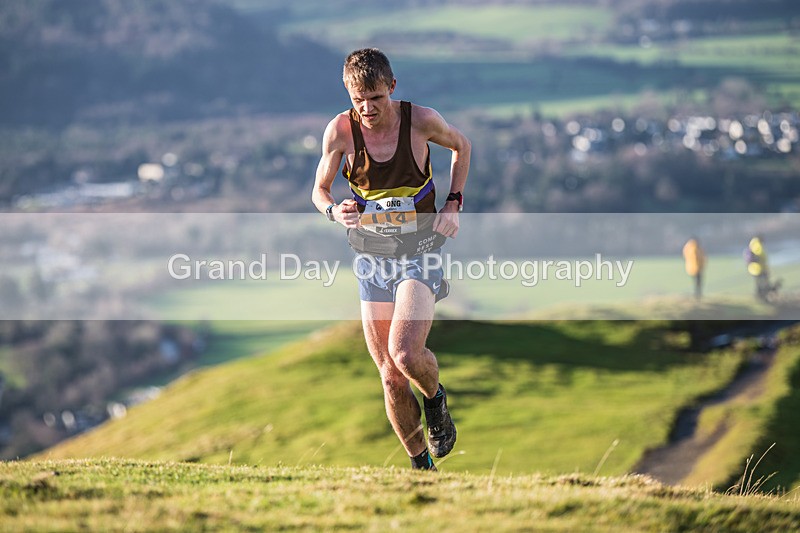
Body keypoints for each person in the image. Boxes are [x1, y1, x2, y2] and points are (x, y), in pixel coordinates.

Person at [311, 48, 471, 471]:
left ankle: (436, 401)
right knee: (389, 374)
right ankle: (422, 469)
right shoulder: (340, 132)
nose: (367, 108)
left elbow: (462, 146)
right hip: (371, 259)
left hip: (421, 251)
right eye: (358, 99)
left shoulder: (421, 121)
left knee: (404, 354)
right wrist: (333, 211)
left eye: (376, 98)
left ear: (392, 88)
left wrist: (453, 203)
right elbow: (319, 191)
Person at [745, 235, 778, 302]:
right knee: (763, 284)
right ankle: (762, 298)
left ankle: (761, 297)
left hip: (754, 269)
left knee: (760, 284)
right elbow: (761, 257)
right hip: (759, 269)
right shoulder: (757, 246)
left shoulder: (753, 244)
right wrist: (765, 268)